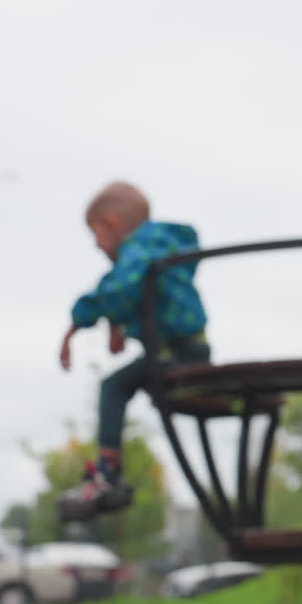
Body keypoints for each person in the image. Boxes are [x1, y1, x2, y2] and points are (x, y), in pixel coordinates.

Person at [57, 181, 211, 521]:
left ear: (112, 224)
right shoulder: (158, 249)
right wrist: (118, 325)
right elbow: (140, 295)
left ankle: (106, 473)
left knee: (113, 387)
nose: (96, 246)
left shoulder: (140, 251)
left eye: (95, 234)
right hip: (188, 348)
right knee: (119, 384)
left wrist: (77, 321)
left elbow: (119, 287)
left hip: (175, 353)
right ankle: (106, 473)